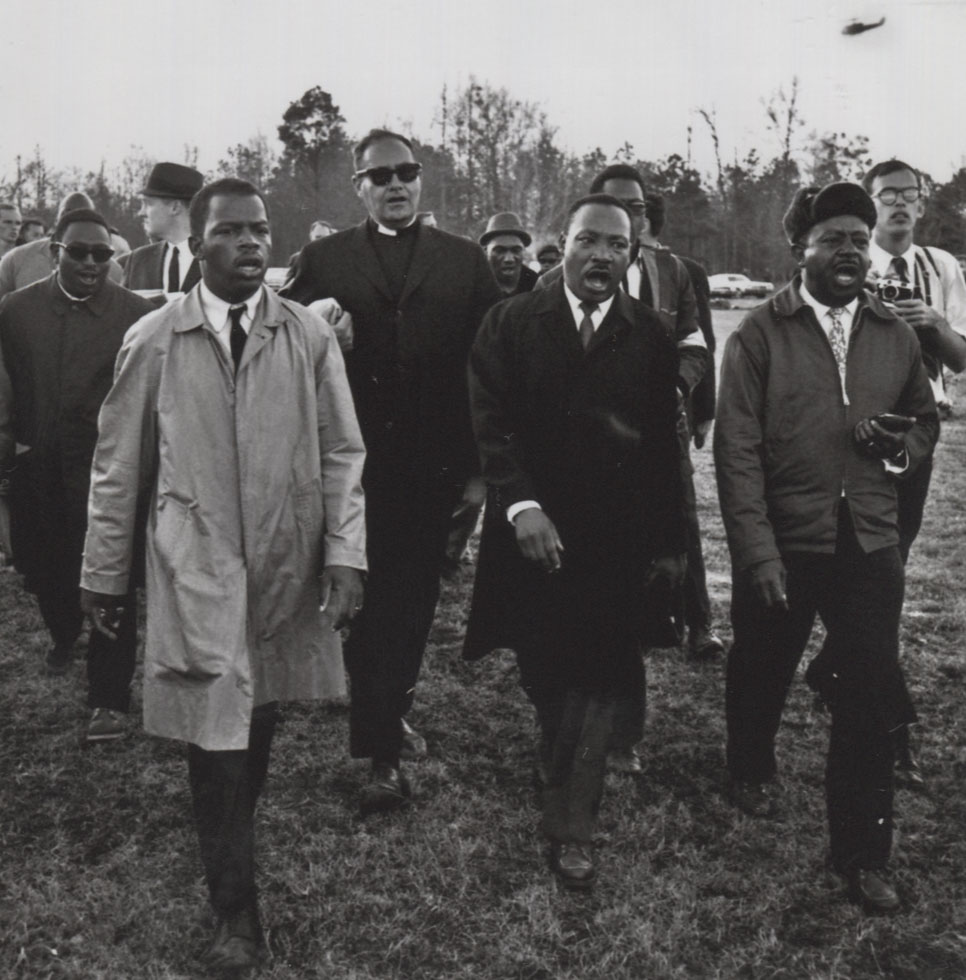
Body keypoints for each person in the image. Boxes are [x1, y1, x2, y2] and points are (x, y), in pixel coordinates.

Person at [80, 177, 367, 971]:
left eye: (261, 231)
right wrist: (104, 572)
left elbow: (343, 451)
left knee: (255, 714)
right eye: (232, 232)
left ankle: (232, 852)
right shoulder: (154, 339)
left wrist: (345, 553)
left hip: (283, 558)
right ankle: (236, 912)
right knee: (216, 732)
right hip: (193, 560)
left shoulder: (305, 335)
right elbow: (117, 467)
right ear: (196, 246)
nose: (251, 244)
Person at [714, 181, 938, 913]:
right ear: (799, 248)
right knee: (763, 660)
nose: (848, 251)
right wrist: (758, 554)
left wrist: (899, 444)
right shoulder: (757, 333)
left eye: (858, 239)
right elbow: (737, 453)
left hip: (869, 541)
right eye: (833, 237)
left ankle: (863, 854)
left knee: (870, 690)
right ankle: (748, 762)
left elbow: (925, 424)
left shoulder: (895, 332)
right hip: (785, 539)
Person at [463, 194, 686, 889]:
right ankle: (557, 751)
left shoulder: (650, 334)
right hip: (529, 534)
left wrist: (668, 539)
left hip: (613, 541)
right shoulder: (510, 322)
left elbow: (660, 450)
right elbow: (489, 422)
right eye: (589, 241)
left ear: (632, 255)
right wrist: (522, 504)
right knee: (543, 664)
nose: (601, 256)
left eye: (617, 246)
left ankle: (572, 822)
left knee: (597, 673)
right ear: (562, 245)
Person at [283, 128, 500, 812]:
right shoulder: (323, 259)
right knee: (358, 601)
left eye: (406, 171)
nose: (396, 184)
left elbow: (490, 369)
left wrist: (477, 468)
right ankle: (378, 723)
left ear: (421, 178)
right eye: (381, 176)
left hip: (430, 469)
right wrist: (316, 322)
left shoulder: (465, 264)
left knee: (409, 606)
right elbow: (280, 334)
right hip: (346, 467)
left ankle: (382, 733)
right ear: (360, 187)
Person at [0, 208, 155, 738]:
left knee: (113, 578)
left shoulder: (133, 313)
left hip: (107, 472)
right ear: (54, 251)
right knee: (44, 573)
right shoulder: (15, 311)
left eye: (102, 254)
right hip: (36, 469)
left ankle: (108, 699)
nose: (91, 263)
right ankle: (65, 630)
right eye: (79, 252)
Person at [0, 192, 123, 299]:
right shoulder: (16, 260)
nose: (74, 222)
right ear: (56, 220)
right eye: (67, 214)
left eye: (84, 216)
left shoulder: (113, 271)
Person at [121, 162, 204, 293]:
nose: (141, 212)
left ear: (175, 207)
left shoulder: (215, 258)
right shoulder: (138, 261)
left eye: (148, 204)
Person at [479, 212, 538, 297]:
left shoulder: (536, 285)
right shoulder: (473, 285)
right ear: (486, 251)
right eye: (499, 251)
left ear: (523, 251)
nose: (509, 259)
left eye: (516, 250)